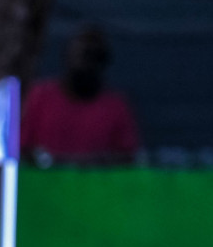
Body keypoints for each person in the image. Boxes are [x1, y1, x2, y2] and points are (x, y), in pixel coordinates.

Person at [20, 24, 140, 161]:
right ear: (66, 57)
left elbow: (127, 158)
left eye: (94, 57)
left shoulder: (117, 106)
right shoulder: (39, 96)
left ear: (104, 63)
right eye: (81, 55)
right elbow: (20, 149)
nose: (85, 64)